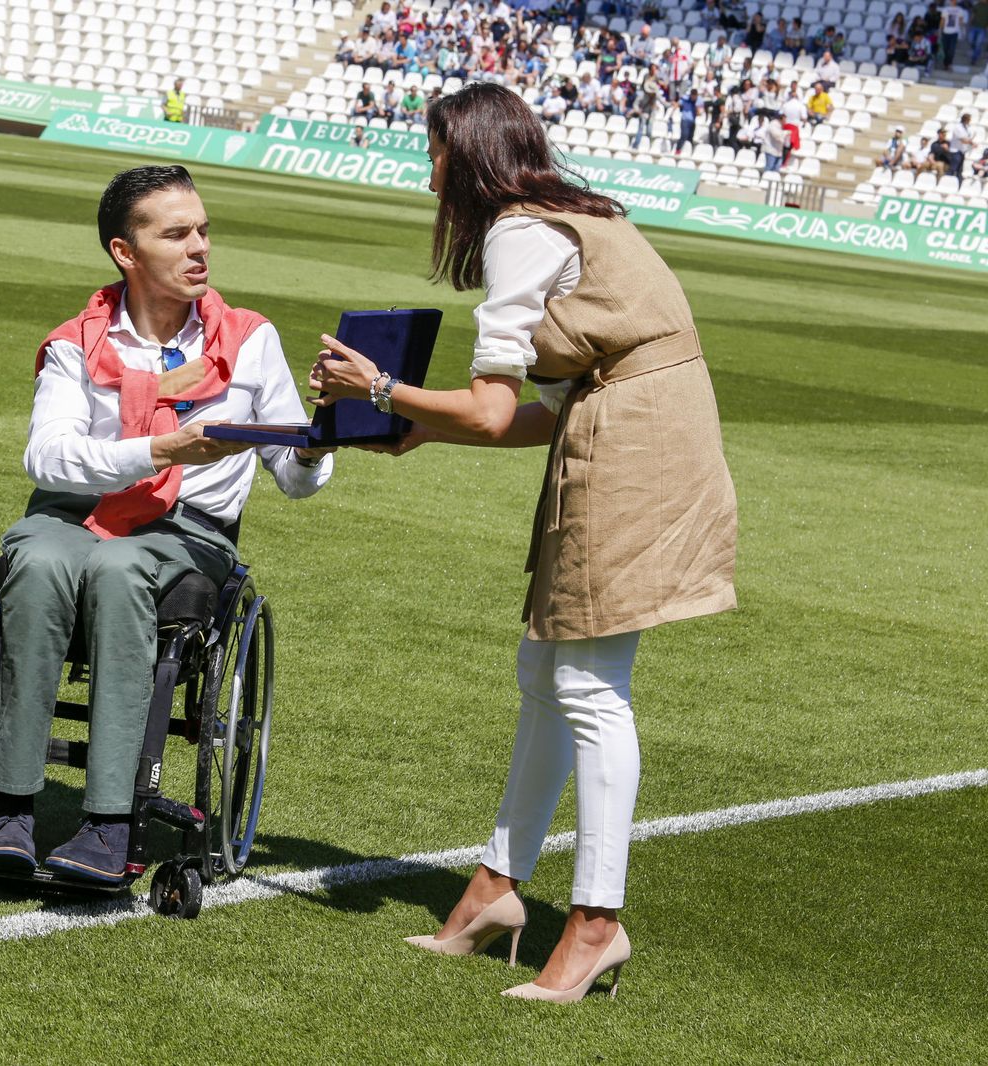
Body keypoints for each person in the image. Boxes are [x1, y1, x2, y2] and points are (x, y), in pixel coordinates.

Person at [310, 82, 736, 1004]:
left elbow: (498, 405)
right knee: (549, 672)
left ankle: (596, 925)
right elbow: (531, 417)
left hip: (634, 445)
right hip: (632, 428)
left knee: (588, 685)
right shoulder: (570, 216)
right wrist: (423, 425)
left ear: (466, 159)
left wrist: (380, 391)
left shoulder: (517, 231)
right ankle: (495, 889)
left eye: (433, 156)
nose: (428, 178)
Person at [0, 166, 333, 882]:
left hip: (187, 532)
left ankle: (108, 822)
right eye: (176, 234)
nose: (199, 247)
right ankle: (9, 807)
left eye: (203, 231)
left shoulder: (249, 340)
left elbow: (293, 476)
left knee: (117, 567)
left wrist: (317, 442)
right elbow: (46, 457)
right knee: (38, 562)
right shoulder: (79, 341)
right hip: (72, 514)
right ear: (125, 253)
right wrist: (162, 448)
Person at [947, 112, 975, 178]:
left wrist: (972, 143)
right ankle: (946, 181)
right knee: (952, 169)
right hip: (956, 152)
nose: (970, 121)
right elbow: (963, 140)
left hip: (962, 151)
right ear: (965, 119)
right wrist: (971, 142)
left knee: (959, 170)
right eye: (969, 119)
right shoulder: (958, 128)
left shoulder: (967, 128)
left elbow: (967, 139)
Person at [940, 0, 966, 68]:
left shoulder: (960, 10)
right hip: (945, 32)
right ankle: (945, 62)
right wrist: (940, 29)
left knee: (952, 49)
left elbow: (961, 21)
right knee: (945, 49)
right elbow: (943, 20)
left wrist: (962, 30)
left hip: (954, 32)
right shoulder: (945, 9)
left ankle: (949, 63)